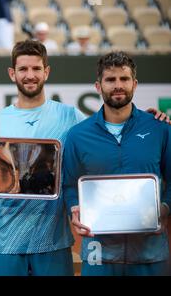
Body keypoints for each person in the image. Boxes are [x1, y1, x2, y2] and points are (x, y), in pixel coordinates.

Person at [0, 40, 170, 276]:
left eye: (36, 69)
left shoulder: (71, 116)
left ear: (47, 72)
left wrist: (153, 118)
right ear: (12, 73)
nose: (30, 75)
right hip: (5, 241)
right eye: (23, 69)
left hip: (54, 243)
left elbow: (109, 126)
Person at [62, 51, 171, 276]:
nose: (118, 85)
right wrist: (74, 209)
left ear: (135, 84)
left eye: (124, 79)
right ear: (98, 86)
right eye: (110, 80)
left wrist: (164, 208)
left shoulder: (159, 128)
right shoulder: (78, 135)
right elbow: (69, 184)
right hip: (98, 253)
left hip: (150, 252)